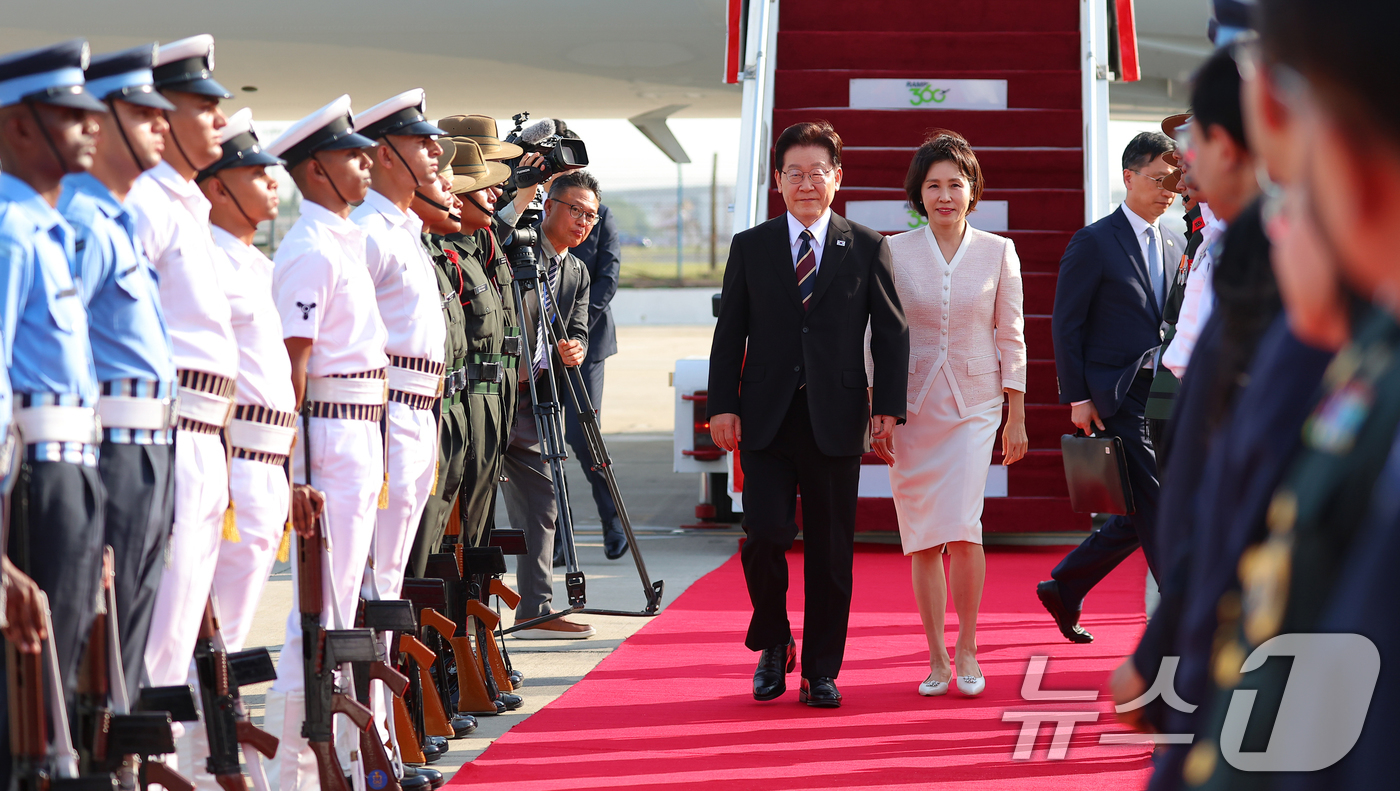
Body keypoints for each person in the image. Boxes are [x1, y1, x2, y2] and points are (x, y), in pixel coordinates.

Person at [709, 120, 909, 708]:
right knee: (764, 536)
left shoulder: (869, 245)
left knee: (829, 553)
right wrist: (723, 404)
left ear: (837, 178)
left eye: (817, 172)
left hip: (836, 417)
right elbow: (731, 334)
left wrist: (888, 408)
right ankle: (774, 641)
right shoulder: (752, 245)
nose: (805, 183)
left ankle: (822, 669)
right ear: (777, 180)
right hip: (765, 418)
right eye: (793, 172)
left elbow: (892, 334)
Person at [868, 131, 1026, 698]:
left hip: (975, 404)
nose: (944, 195)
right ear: (918, 194)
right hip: (910, 407)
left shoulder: (997, 250)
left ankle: (968, 647)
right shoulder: (892, 249)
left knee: (963, 526)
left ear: (972, 191)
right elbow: (878, 335)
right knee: (922, 536)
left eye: (954, 184)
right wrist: (876, 407)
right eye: (932, 186)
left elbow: (1011, 334)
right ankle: (935, 655)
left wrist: (1017, 413)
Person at [261, 95, 386, 791]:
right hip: (329, 436)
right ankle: (295, 772)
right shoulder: (308, 248)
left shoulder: (341, 239)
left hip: (359, 428)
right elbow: (293, 369)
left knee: (342, 610)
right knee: (316, 614)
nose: (364, 164)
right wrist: (294, 470)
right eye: (350, 156)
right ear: (315, 170)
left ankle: (331, 759)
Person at [0, 39, 107, 789]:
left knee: (62, 689)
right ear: (16, 124)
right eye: (70, 113)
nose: (92, 124)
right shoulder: (9, 231)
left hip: (73, 475)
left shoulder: (45, 229)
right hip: (32, 485)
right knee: (24, 706)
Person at [57, 43, 177, 703]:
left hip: (150, 449)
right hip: (110, 452)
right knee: (96, 654)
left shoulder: (114, 217)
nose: (162, 124)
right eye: (144, 114)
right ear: (98, 123)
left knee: (128, 642)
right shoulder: (80, 220)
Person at [124, 36, 240, 714]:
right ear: (161, 117)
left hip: (204, 436)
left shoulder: (185, 207)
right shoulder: (146, 205)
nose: (220, 121)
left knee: (178, 639)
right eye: (206, 107)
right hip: (166, 435)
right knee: (156, 639)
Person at [1038, 131, 1184, 643]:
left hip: (1165, 396)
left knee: (1142, 509)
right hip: (1114, 395)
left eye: (1176, 181)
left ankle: (1065, 585)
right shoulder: (1094, 240)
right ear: (1128, 176)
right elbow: (1066, 324)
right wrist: (1077, 397)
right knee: (1160, 506)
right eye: (1160, 179)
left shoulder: (1177, 241)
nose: (1169, 191)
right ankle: (1183, 623)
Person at [197, 107, 300, 653]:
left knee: (231, 634)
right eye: (257, 173)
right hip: (231, 459)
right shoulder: (204, 261)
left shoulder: (258, 265)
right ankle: (189, 740)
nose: (273, 182)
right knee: (212, 634)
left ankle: (207, 737)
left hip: (269, 461)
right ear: (216, 188)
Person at [410, 116, 520, 570]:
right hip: (456, 401)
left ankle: (463, 626)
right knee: (435, 538)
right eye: (485, 181)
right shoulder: (439, 252)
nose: (496, 193)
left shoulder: (479, 245)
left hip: (489, 398)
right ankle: (428, 632)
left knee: (471, 533)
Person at [499, 170, 596, 639]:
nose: (583, 222)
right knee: (465, 511)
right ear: (549, 205)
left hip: (533, 400)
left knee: (543, 502)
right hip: (486, 396)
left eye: (592, 215)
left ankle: (535, 610)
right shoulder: (517, 248)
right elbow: (502, 224)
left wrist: (575, 346)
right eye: (575, 209)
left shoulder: (576, 270)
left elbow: (577, 327)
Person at [1161, 50, 1263, 383]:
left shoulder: (1259, 241)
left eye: (1191, 141)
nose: (1178, 156)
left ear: (1223, 146)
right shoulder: (1214, 237)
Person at [556, 136, 626, 559]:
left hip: (588, 344)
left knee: (583, 437)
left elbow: (609, 277)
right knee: (542, 445)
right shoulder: (540, 212)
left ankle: (611, 520)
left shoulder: (602, 215)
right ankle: (559, 537)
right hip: (542, 344)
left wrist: (576, 329)